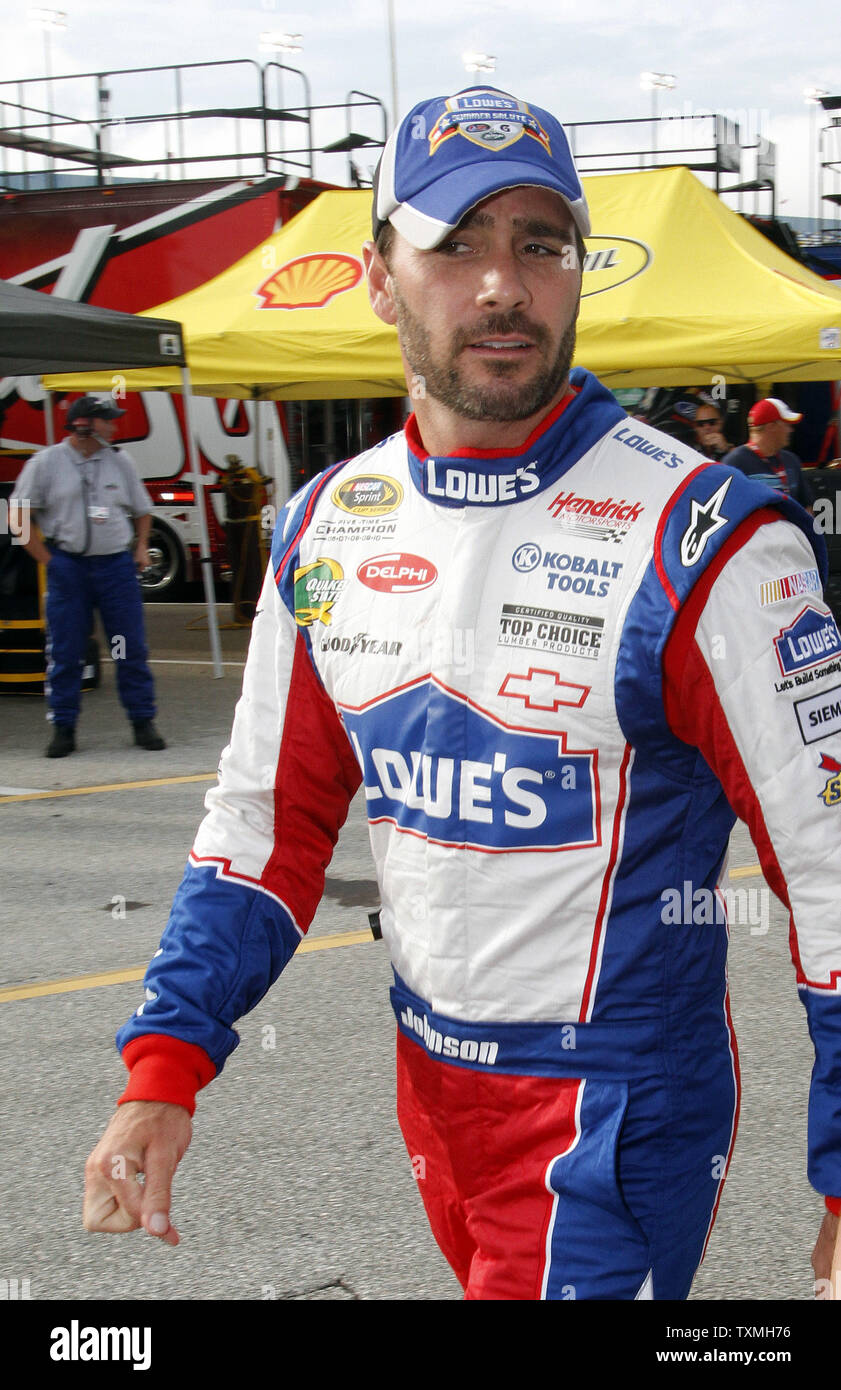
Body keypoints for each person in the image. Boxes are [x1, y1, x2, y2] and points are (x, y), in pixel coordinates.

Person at [83, 87, 841, 1301]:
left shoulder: (705, 537)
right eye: (457, 244)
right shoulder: (329, 521)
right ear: (380, 276)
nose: (503, 285)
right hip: (430, 1081)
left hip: (615, 1102)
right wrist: (163, 1066)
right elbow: (264, 828)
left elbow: (829, 859)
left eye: (540, 246)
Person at [10, 394, 166, 757]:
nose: (113, 426)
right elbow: (17, 517)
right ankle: (63, 726)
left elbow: (142, 510)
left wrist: (141, 546)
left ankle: (142, 720)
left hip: (115, 569)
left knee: (127, 648)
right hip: (69, 567)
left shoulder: (119, 461)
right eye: (107, 420)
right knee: (65, 650)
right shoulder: (45, 463)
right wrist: (49, 561)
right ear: (85, 425)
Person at [724, 397, 812, 507]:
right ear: (771, 427)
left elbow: (806, 507)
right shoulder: (735, 462)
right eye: (787, 425)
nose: (791, 430)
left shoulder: (791, 460)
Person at [691, 395, 731, 461]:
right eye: (701, 424)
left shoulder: (733, 448)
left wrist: (726, 450)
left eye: (712, 422)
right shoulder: (688, 449)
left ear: (720, 424)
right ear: (695, 427)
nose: (707, 428)